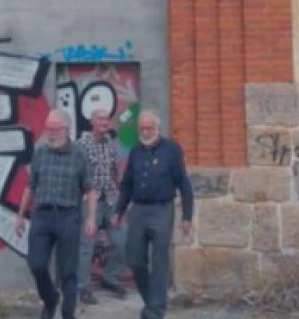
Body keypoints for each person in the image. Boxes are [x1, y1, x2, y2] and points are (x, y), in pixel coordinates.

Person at [16, 109, 97, 319]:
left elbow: (90, 188)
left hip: (68, 216)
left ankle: (68, 314)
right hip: (42, 216)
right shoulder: (40, 152)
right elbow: (30, 186)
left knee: (68, 271)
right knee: (36, 264)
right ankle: (50, 299)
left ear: (66, 129)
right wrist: (19, 215)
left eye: (54, 129)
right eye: (47, 128)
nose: (49, 133)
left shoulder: (79, 155)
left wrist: (90, 218)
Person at [113, 110, 193, 319]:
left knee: (159, 262)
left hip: (161, 210)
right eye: (142, 128)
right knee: (135, 260)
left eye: (149, 128)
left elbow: (184, 183)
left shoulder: (172, 150)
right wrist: (118, 211)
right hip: (138, 210)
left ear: (158, 128)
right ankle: (154, 302)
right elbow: (127, 185)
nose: (145, 132)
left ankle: (155, 311)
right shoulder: (135, 151)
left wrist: (187, 216)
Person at [75, 107, 129, 304]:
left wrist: (122, 199)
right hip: (90, 203)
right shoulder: (81, 145)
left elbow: (117, 173)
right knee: (86, 247)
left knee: (122, 241)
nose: (104, 123)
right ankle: (84, 288)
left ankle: (110, 277)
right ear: (92, 122)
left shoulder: (111, 144)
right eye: (100, 119)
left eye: (107, 119)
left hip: (110, 201)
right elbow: (76, 175)